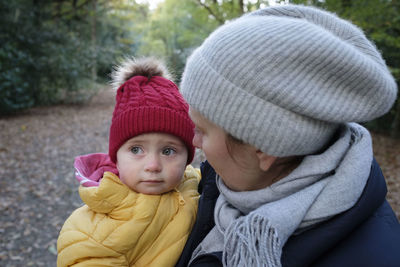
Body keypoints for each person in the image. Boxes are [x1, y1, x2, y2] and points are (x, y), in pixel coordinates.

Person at [175, 4, 400, 267]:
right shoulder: (223, 184)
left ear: (263, 148)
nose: (194, 142)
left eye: (202, 130)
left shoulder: (369, 258)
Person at [57, 57, 200, 267]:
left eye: (168, 151)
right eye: (136, 149)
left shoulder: (197, 183)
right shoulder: (92, 230)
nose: (153, 165)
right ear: (116, 157)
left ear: (187, 157)